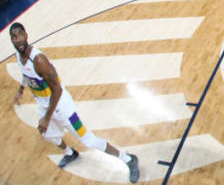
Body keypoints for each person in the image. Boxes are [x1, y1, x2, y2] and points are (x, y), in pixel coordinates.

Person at [10, 23, 140, 182]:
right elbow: (26, 75)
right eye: (14, 37)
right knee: (47, 134)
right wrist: (21, 90)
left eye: (20, 35)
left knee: (88, 140)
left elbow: (57, 90)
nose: (18, 40)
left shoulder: (39, 60)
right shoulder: (19, 56)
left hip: (63, 108)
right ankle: (70, 153)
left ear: (26, 34)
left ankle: (128, 159)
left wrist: (47, 118)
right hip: (45, 106)